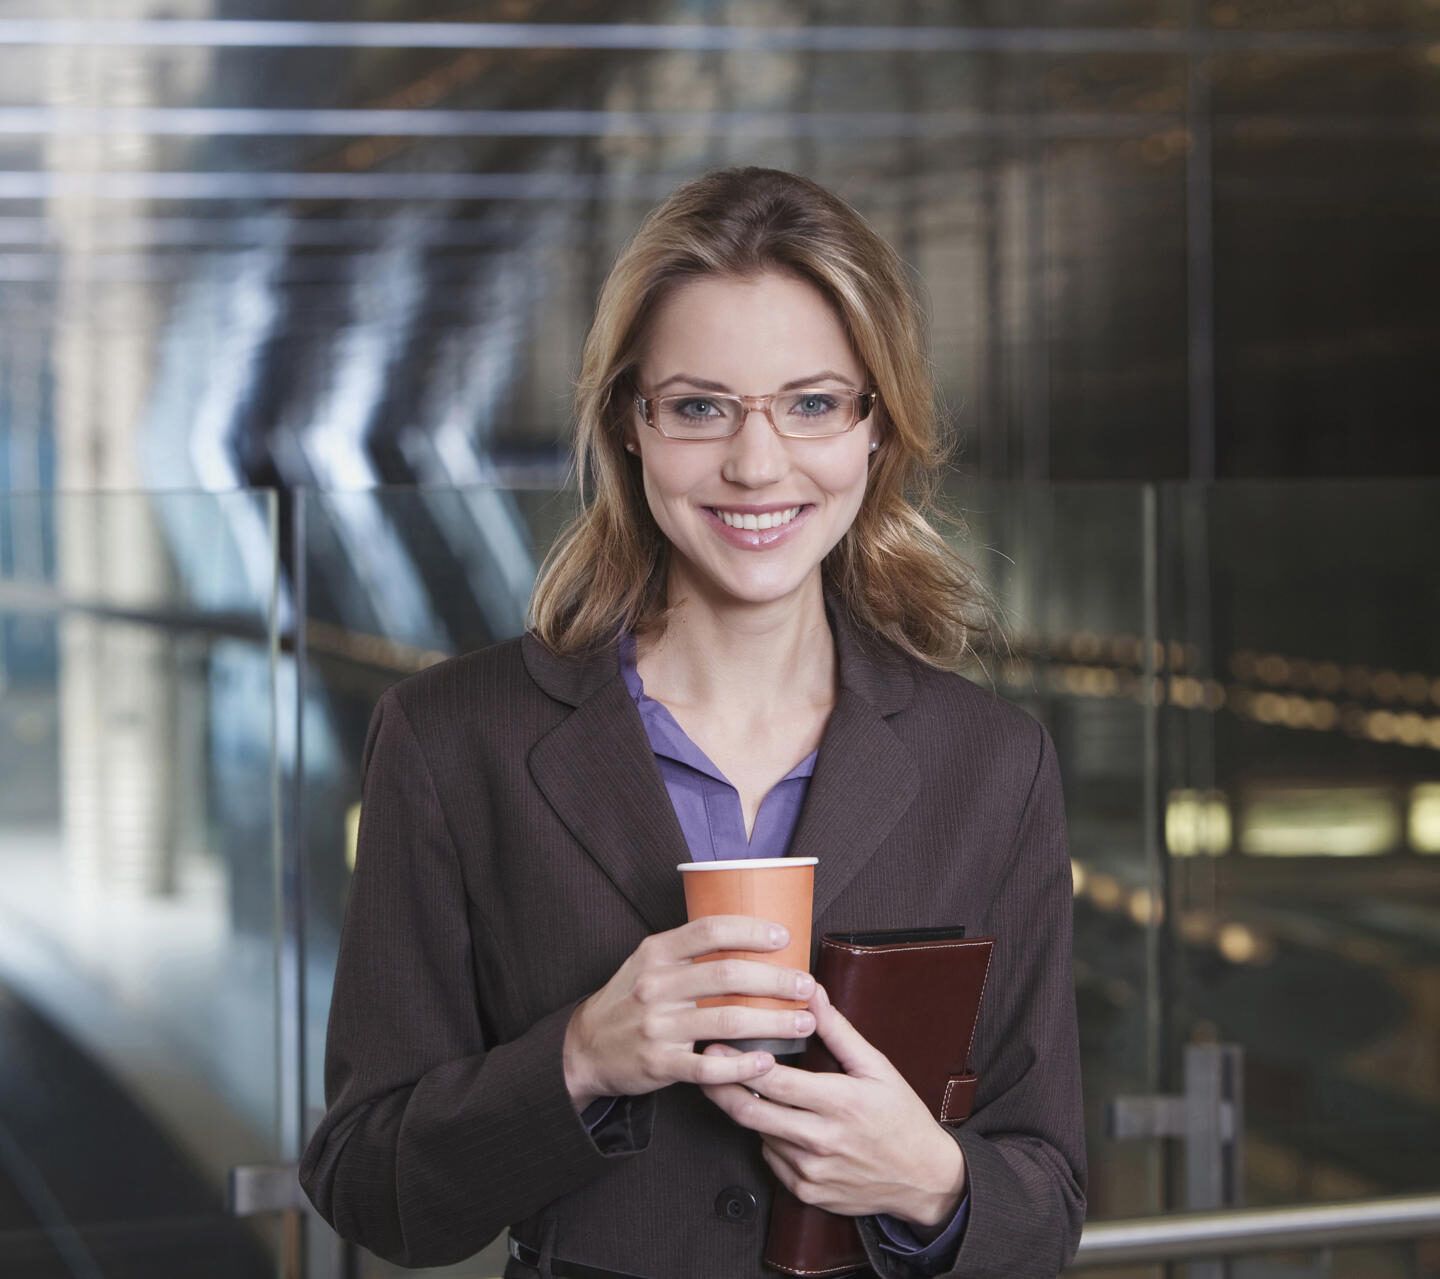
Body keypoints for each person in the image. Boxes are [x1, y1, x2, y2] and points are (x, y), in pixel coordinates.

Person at [299, 166, 1085, 1279]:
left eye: (813, 404)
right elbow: (366, 1184)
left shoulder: (992, 763)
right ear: (632, 421)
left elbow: (1048, 1202)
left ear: (876, 426)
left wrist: (929, 1182)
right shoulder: (454, 740)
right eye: (700, 406)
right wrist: (579, 1057)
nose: (756, 465)